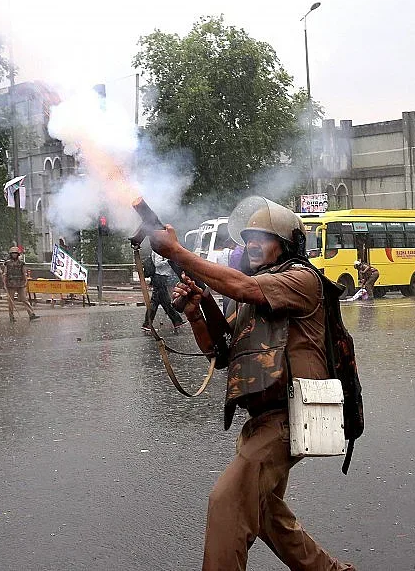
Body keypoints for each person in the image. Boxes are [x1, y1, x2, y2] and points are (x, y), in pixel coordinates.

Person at [150, 195, 356, 571]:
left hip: (290, 414)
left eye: (264, 235)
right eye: (249, 237)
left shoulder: (301, 279)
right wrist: (198, 313)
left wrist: (178, 252)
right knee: (266, 515)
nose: (254, 243)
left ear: (289, 243)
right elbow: (220, 350)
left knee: (227, 504)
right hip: (260, 421)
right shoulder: (249, 291)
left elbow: (245, 288)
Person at [141, 250, 185, 333]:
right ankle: (176, 321)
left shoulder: (162, 249)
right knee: (163, 302)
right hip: (159, 277)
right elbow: (157, 264)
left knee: (160, 302)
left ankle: (147, 324)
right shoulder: (157, 251)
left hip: (162, 277)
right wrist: (169, 260)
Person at [4, 247, 39, 322]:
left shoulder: (21, 263)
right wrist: (4, 283)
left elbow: (24, 273)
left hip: (20, 283)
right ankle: (11, 316)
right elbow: (5, 274)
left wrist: (25, 280)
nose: (14, 255)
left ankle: (31, 314)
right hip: (10, 284)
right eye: (13, 253)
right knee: (11, 301)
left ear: (18, 254)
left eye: (15, 253)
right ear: (11, 254)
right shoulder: (7, 263)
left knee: (24, 299)